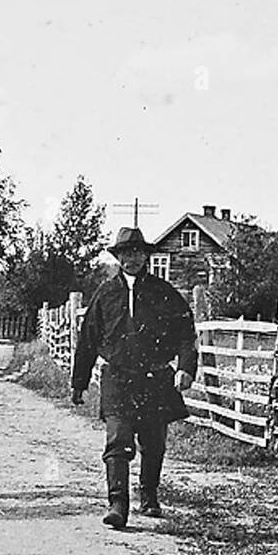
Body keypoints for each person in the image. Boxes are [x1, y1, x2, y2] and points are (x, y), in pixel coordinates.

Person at [70, 226, 198, 529]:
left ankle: (149, 494)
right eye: (126, 253)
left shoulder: (163, 292)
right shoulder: (106, 293)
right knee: (118, 439)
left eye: (138, 253)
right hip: (118, 378)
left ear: (146, 256)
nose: (133, 259)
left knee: (153, 442)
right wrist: (79, 382)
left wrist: (186, 368)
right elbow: (88, 340)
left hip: (155, 378)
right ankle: (118, 503)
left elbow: (186, 333)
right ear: (118, 257)